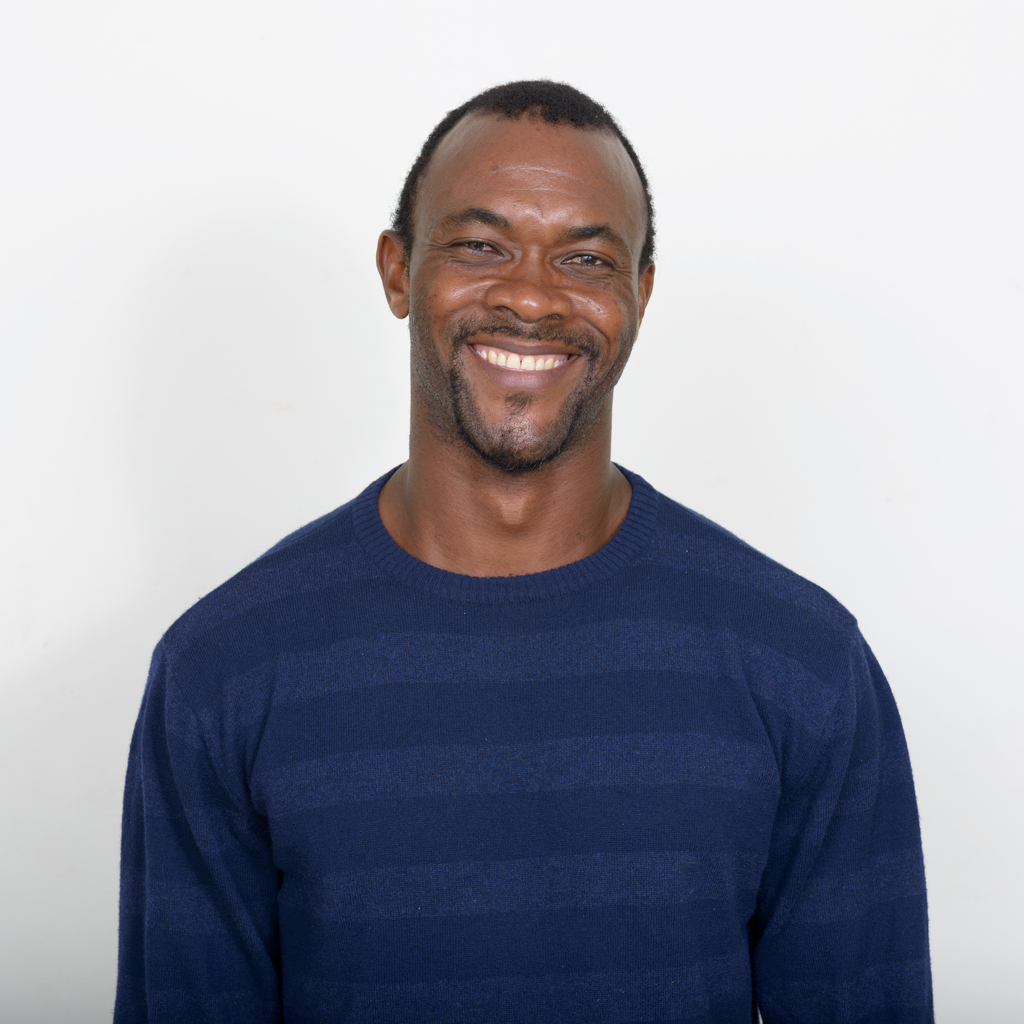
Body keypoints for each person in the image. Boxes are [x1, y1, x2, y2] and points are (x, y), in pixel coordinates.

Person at [115, 80, 933, 1023]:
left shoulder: (803, 663)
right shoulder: (220, 668)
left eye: (586, 258)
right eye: (479, 246)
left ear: (640, 294)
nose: (532, 297)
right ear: (397, 272)